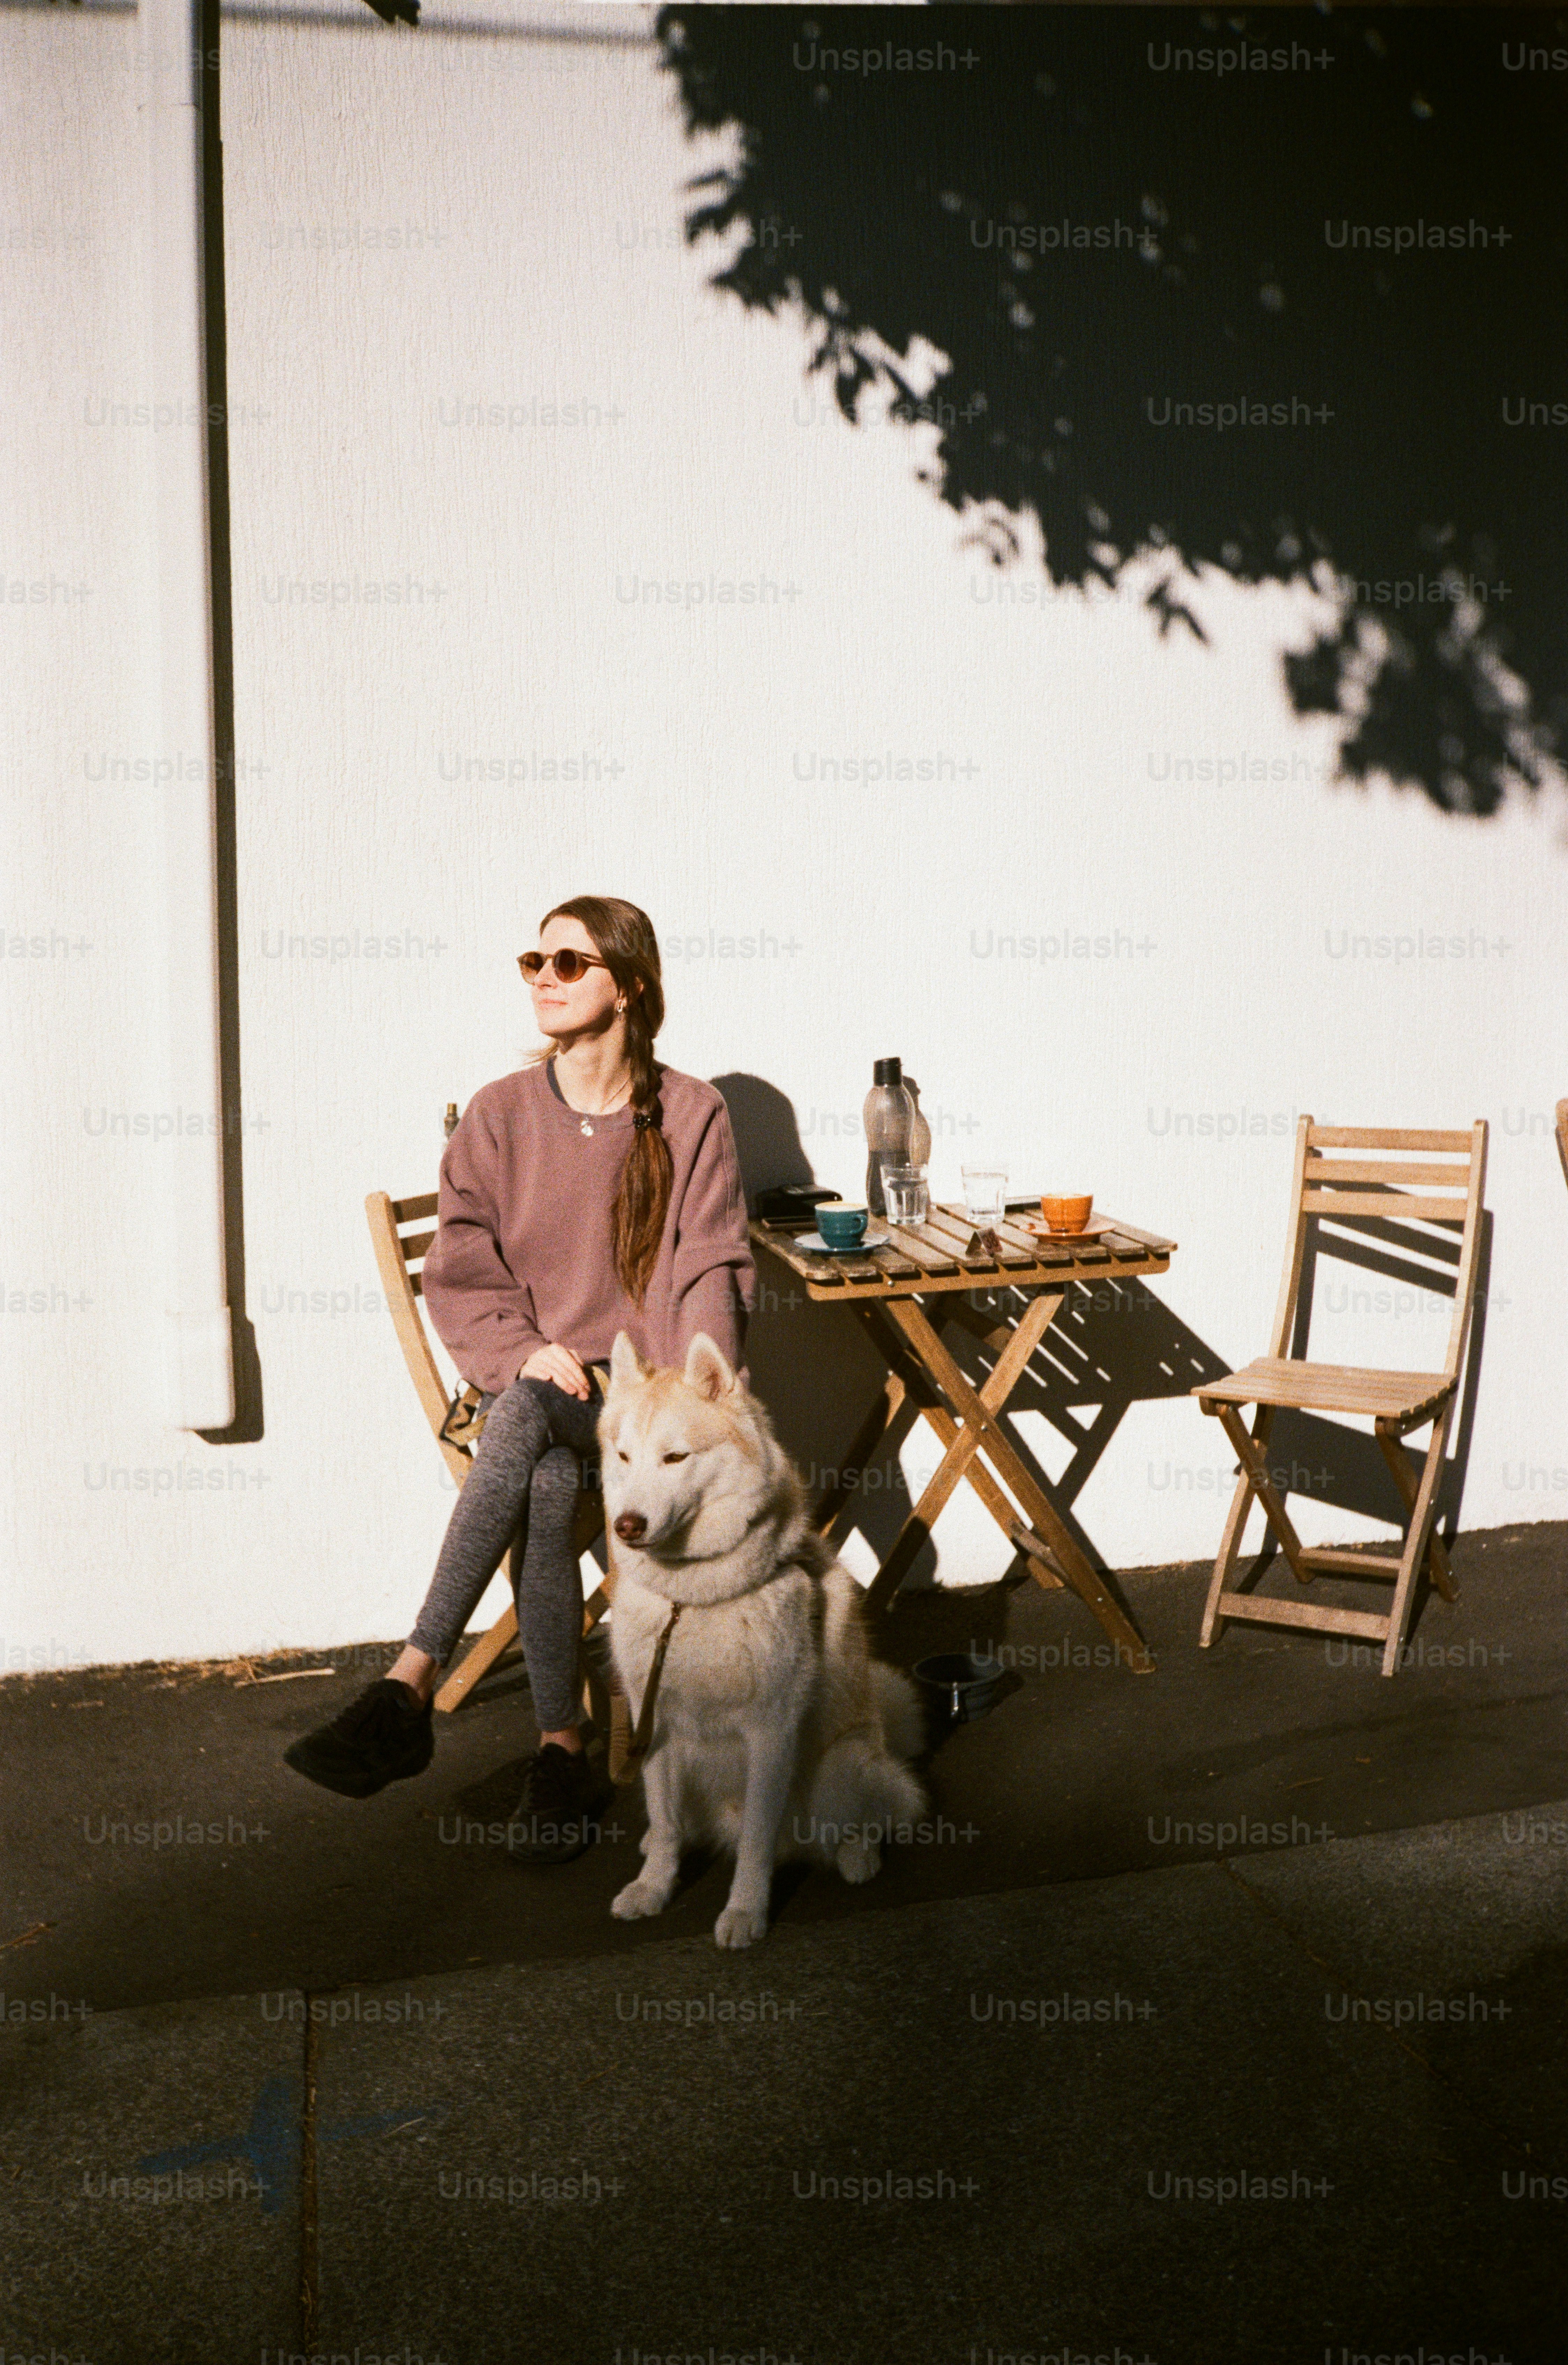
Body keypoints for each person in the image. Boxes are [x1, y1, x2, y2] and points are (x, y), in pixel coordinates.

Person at [284, 894, 756, 1862]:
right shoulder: (499, 1114)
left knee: (534, 1419)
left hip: (642, 1412)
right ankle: (559, 1754)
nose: (544, 977)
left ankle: (409, 1683)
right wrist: (516, 1352)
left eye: (569, 963)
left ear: (627, 986)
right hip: (537, 1402)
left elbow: (711, 1265)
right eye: (533, 960)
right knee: (542, 1482)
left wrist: (682, 1405)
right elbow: (461, 1269)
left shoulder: (692, 1112)